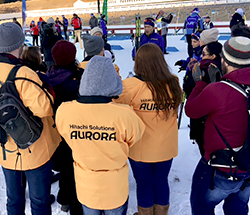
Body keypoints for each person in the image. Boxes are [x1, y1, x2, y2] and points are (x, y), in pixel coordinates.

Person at [0, 22, 61, 215]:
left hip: (5, 146)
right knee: (39, 201)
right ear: (20, 44)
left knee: (14, 200)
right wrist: (46, 87)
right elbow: (45, 109)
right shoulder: (23, 74)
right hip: (33, 148)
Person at [56, 55, 145, 215]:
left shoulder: (65, 110)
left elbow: (66, 135)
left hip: (86, 186)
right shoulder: (125, 114)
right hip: (115, 187)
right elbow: (135, 137)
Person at [185, 36, 250, 215]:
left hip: (218, 167)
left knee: (201, 207)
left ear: (226, 61)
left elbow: (191, 110)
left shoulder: (218, 90)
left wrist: (200, 84)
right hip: (247, 167)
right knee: (238, 209)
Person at [115, 43, 183, 215]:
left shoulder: (130, 85)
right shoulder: (173, 82)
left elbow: (114, 105)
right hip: (166, 147)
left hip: (141, 148)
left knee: (144, 183)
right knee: (161, 181)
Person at [46, 40, 84, 214]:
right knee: (73, 168)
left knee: (64, 166)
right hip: (73, 129)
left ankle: (63, 197)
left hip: (55, 129)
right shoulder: (74, 81)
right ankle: (73, 203)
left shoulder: (49, 75)